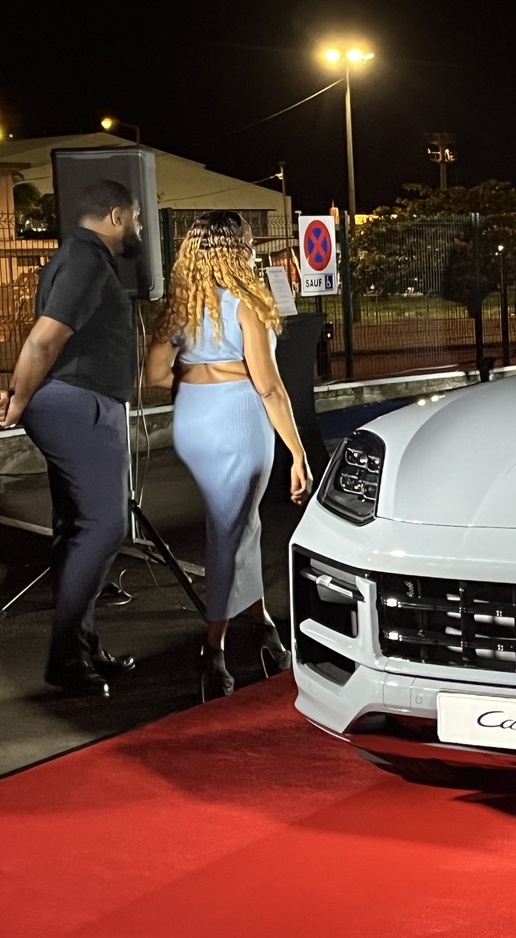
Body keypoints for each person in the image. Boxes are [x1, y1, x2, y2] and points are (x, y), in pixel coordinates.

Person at [0, 179, 144, 697]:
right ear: (116, 216)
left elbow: (51, 342)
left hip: (73, 401)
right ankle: (67, 658)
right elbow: (45, 339)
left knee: (76, 527)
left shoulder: (72, 257)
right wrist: (17, 400)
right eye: (137, 218)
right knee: (105, 526)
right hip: (82, 405)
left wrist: (18, 393)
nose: (140, 228)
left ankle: (82, 648)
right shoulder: (86, 260)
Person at [145, 210, 312, 700]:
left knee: (241, 525)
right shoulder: (247, 304)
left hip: (194, 418)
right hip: (239, 420)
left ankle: (263, 628)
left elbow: (156, 374)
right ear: (238, 249)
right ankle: (212, 649)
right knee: (228, 532)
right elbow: (270, 388)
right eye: (249, 243)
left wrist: (203, 373)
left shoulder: (180, 305)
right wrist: (298, 453)